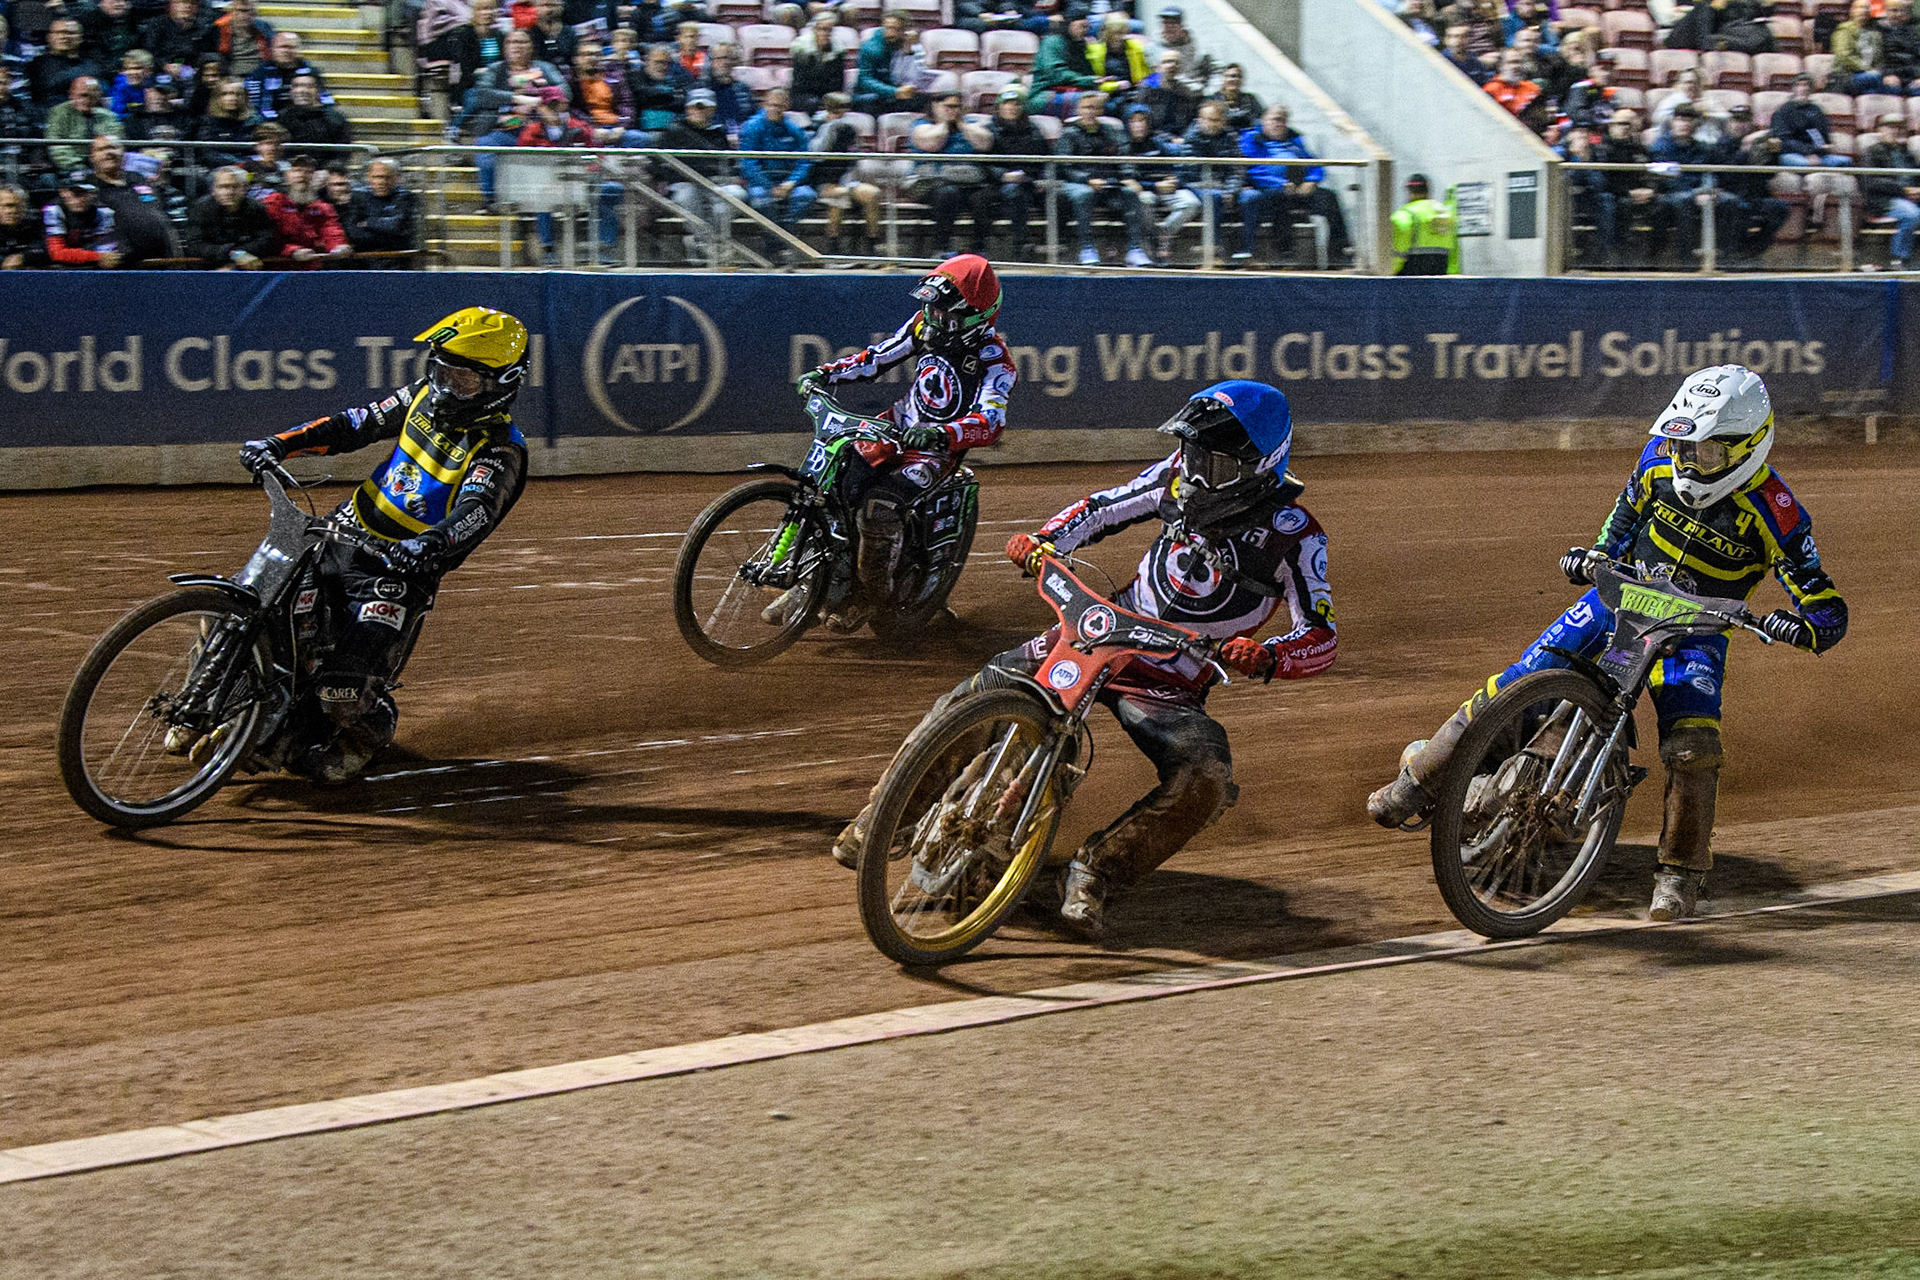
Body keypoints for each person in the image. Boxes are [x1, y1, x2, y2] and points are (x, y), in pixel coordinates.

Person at [834, 380, 1336, 941]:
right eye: (1191, 455)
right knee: (978, 693)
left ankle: (1097, 870)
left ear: (1256, 467)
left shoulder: (1296, 536)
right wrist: (1046, 541)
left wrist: (1268, 657)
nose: (1193, 474)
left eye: (1211, 463)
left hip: (1170, 679)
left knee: (1206, 778)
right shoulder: (1175, 475)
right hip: (1100, 630)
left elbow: (1321, 633)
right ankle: (888, 814)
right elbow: (1104, 507)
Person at [1367, 365, 1847, 921]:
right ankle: (1417, 782)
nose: (1687, 461)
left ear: (1748, 447)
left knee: (1693, 748)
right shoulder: (1655, 463)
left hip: (1695, 633)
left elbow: (1825, 603)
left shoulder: (1778, 513)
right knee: (1521, 681)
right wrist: (1595, 555)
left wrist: (1804, 626)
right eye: (1681, 444)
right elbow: (1621, 522)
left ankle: (1680, 877)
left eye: (1706, 453)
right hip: (1620, 601)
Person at [236, 308, 531, 783]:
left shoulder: (501, 448)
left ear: (502, 383)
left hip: (396, 571)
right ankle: (226, 702)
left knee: (340, 690)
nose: (446, 388)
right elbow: (352, 425)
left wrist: (429, 544)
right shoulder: (419, 399)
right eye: (441, 373)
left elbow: (477, 509)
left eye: (464, 381)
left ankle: (369, 725)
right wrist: (278, 443)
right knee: (254, 607)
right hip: (341, 533)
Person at [791, 255, 1015, 631]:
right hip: (893, 427)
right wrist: (824, 373)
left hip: (934, 452)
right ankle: (818, 583)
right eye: (930, 309)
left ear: (977, 317)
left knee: (879, 508)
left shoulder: (996, 361)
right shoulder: (922, 325)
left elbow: (991, 423)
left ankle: (872, 597)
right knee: (836, 479)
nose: (934, 320)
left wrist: (943, 433)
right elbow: (876, 359)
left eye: (945, 314)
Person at [1236, 101, 1350, 267]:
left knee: (1329, 198)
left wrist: (1311, 180)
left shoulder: (1295, 140)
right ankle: (1284, 253)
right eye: (1274, 119)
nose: (1278, 124)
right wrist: (1280, 183)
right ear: (1264, 120)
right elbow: (1251, 170)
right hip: (1268, 190)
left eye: (1282, 120)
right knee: (1281, 198)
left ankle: (1338, 254)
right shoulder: (1251, 138)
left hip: (1298, 187)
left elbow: (1314, 163)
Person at [1056, 89, 1150, 266]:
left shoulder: (1111, 132)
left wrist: (1128, 177)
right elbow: (1065, 166)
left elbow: (1124, 156)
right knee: (1083, 194)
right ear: (1078, 110)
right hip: (1078, 183)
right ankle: (1087, 247)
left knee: (1130, 193)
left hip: (1108, 183)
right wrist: (1087, 180)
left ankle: (1135, 249)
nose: (1090, 111)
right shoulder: (1069, 134)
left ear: (1100, 111)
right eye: (1086, 107)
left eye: (1094, 108)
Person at [655, 87, 744, 262]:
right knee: (687, 197)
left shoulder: (718, 133)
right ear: (688, 108)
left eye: (704, 107)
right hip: (683, 183)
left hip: (714, 183)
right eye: (695, 106)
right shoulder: (674, 131)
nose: (698, 111)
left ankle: (700, 242)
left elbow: (727, 163)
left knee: (737, 194)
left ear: (712, 110)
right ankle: (709, 245)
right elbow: (659, 163)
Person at [907, 89, 994, 257]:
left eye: (957, 106)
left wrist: (961, 125)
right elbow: (932, 144)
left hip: (968, 182)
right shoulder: (921, 125)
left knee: (983, 196)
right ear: (935, 106)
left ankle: (978, 249)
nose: (953, 110)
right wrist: (944, 122)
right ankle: (941, 248)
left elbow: (985, 144)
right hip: (929, 182)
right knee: (948, 193)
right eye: (948, 106)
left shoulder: (969, 123)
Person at [737, 86, 816, 260]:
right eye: (771, 105)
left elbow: (804, 161)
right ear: (764, 104)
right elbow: (748, 163)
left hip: (788, 183)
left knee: (806, 195)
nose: (774, 109)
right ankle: (775, 245)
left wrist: (790, 183)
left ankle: (782, 239)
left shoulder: (795, 130)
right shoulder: (752, 127)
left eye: (779, 106)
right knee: (761, 200)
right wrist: (770, 186)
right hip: (761, 183)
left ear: (786, 106)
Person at [981, 84, 1048, 258]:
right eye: (1007, 104)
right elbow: (982, 162)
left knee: (1060, 196)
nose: (1012, 108)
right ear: (999, 106)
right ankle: (1022, 244)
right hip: (1001, 182)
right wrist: (1002, 175)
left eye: (1016, 104)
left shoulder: (1034, 130)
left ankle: (1055, 245)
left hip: (1030, 181)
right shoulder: (989, 130)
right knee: (1014, 192)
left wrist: (1044, 179)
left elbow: (1047, 159)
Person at [88, 134, 178, 264]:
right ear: (92, 157)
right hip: (120, 263)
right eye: (102, 149)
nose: (109, 152)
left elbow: (156, 209)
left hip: (160, 257)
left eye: (114, 147)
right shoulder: (91, 187)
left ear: (124, 153)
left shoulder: (138, 178)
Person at [810, 92, 881, 254]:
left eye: (842, 110)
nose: (840, 114)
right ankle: (833, 252)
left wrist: (847, 184)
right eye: (835, 110)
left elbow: (852, 161)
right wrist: (828, 128)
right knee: (838, 198)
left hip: (845, 181)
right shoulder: (815, 126)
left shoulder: (848, 129)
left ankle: (871, 249)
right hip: (820, 182)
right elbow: (815, 156)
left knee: (873, 194)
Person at [263, 152, 351, 262]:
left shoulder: (323, 208)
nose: (302, 175)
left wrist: (339, 246)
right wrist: (292, 250)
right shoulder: (274, 203)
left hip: (313, 266)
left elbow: (331, 230)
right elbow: (269, 237)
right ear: (287, 176)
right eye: (297, 170)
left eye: (308, 172)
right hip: (280, 266)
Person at [184, 163, 277, 267]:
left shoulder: (256, 208)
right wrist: (232, 254)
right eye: (223, 187)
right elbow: (195, 245)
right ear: (214, 190)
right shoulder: (201, 208)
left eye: (235, 186)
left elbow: (267, 241)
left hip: (247, 267)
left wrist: (238, 255)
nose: (229, 192)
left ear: (245, 189)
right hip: (208, 268)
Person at [1862, 111, 1920, 270]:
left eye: (1897, 128)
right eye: (1889, 127)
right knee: (1912, 214)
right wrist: (1904, 191)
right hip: (1884, 202)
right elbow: (1872, 182)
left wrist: (1917, 190)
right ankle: (1899, 257)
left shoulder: (1906, 153)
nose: (1893, 131)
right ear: (1880, 130)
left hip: (1912, 197)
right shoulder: (1872, 152)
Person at [1028, 7, 1106, 116]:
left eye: (1087, 27)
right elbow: (1056, 75)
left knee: (1107, 102)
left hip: (1075, 91)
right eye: (1081, 26)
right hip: (1045, 94)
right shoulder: (1052, 42)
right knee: (1087, 103)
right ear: (1070, 24)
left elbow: (1088, 73)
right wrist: (1087, 80)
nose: (1085, 31)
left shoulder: (1081, 46)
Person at [245, 32, 333, 121]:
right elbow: (252, 104)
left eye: (292, 47)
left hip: (305, 121)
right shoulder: (260, 73)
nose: (287, 51)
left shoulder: (311, 73)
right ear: (272, 49)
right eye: (283, 47)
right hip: (269, 123)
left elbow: (326, 99)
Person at [853, 11, 926, 117]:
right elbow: (864, 80)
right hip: (871, 95)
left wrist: (908, 50)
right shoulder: (870, 48)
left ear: (905, 31)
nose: (891, 33)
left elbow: (915, 76)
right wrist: (894, 92)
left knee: (924, 100)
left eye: (897, 29)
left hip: (897, 93)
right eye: (888, 28)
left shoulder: (909, 45)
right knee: (873, 102)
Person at [43, 171, 122, 268]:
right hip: (61, 267)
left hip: (95, 266)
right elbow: (56, 253)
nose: (81, 199)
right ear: (63, 192)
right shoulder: (54, 210)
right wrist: (96, 256)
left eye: (86, 193)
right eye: (76, 193)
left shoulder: (104, 212)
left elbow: (107, 253)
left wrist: (103, 257)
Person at [344, 157, 420, 257]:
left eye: (387, 177)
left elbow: (396, 227)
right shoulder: (359, 196)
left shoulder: (405, 197)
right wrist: (383, 231)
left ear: (396, 178)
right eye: (377, 177)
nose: (381, 182)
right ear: (368, 177)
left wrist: (367, 222)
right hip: (364, 258)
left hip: (395, 258)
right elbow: (353, 232)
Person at [45, 76, 123, 173]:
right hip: (71, 167)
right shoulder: (60, 113)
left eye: (93, 96)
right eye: (83, 95)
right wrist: (77, 165)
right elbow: (56, 144)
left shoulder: (108, 116)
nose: (88, 100)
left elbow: (116, 143)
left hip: (102, 166)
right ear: (71, 95)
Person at [1390, 172, 1456, 274]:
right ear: (1428, 190)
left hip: (1412, 272)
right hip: (1440, 273)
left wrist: (1392, 271)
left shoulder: (1406, 213)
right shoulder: (1445, 212)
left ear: (1410, 191)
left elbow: (1399, 250)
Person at [28, 18, 100, 106]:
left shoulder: (91, 66)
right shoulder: (37, 65)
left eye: (70, 33)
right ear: (49, 37)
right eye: (58, 33)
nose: (63, 37)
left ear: (80, 38)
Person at [788, 9, 846, 114]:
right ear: (815, 30)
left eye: (829, 30)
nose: (825, 33)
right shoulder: (801, 50)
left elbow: (838, 81)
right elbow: (800, 83)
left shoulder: (837, 51)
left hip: (828, 94)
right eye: (822, 29)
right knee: (812, 103)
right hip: (803, 95)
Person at [195, 79, 263, 166]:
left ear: (246, 97)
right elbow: (208, 153)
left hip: (253, 166)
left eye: (238, 94)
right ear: (217, 98)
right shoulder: (208, 122)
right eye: (226, 94)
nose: (233, 98)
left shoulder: (256, 121)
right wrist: (238, 164)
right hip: (220, 169)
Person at [281, 71, 354, 147]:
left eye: (309, 86)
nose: (302, 91)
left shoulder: (335, 119)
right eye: (296, 86)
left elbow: (343, 153)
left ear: (318, 91)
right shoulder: (282, 118)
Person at [209, 0, 276, 77]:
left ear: (254, 13)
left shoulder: (265, 28)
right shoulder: (219, 29)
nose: (243, 16)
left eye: (247, 11)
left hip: (261, 76)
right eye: (239, 11)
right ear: (232, 11)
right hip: (231, 77)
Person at [0, 184, 48, 269]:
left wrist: (23, 257)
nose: (13, 211)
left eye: (18, 206)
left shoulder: (34, 226)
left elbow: (44, 250)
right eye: (8, 206)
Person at [1205, 60, 1262, 132]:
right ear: (1223, 79)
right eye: (1232, 76)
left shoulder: (1251, 101)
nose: (1235, 79)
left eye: (1239, 76)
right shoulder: (1212, 100)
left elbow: (1258, 121)